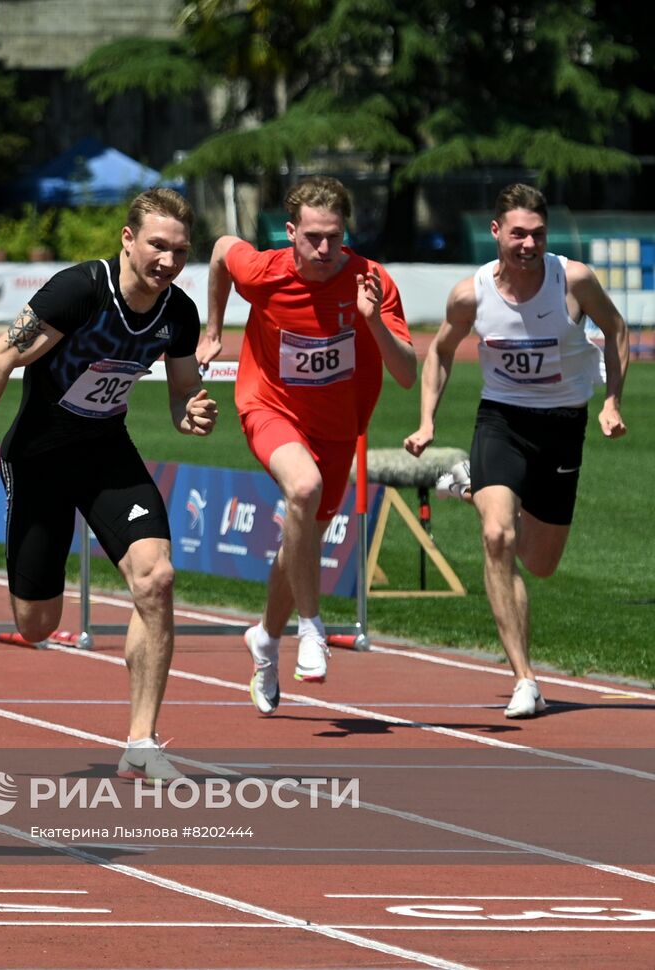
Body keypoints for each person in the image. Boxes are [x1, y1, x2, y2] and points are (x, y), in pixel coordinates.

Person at [0, 188, 218, 780]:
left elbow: (183, 392)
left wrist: (190, 410)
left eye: (181, 251)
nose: (167, 261)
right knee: (36, 624)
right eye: (158, 246)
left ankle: (142, 740)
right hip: (39, 458)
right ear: (128, 239)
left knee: (156, 578)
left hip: (105, 452)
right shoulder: (80, 290)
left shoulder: (178, 315)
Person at [404, 184, 628, 718]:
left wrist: (613, 401)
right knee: (497, 535)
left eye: (538, 234)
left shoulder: (571, 280)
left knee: (542, 563)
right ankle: (524, 679)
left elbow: (617, 329)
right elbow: (438, 353)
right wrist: (427, 420)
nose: (528, 244)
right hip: (501, 421)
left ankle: (470, 486)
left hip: (563, 424)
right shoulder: (471, 293)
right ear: (497, 232)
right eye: (518, 233)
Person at [201, 175, 416, 715]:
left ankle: (265, 640)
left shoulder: (372, 281)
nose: (324, 250)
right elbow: (224, 250)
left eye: (335, 238)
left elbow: (408, 374)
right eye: (312, 238)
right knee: (304, 487)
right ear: (290, 231)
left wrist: (374, 325)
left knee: (299, 541)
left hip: (339, 426)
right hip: (267, 405)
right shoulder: (265, 271)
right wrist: (212, 329)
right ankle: (312, 627)